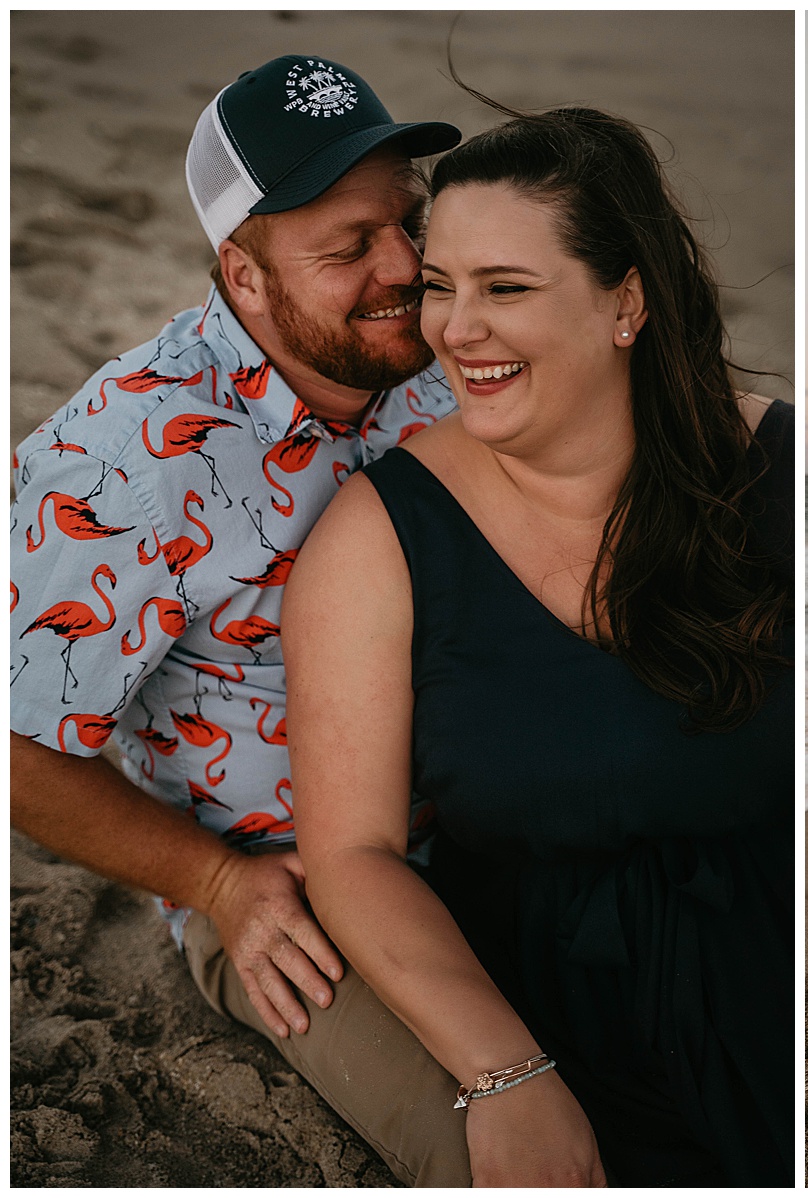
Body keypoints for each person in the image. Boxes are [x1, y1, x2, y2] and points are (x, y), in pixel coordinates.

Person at [283, 99, 794, 1187]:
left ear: (626, 302)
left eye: (504, 287)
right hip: (554, 1018)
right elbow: (351, 853)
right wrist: (507, 1075)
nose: (453, 329)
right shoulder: (378, 536)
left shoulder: (777, 471)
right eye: (439, 285)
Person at [9, 55, 482, 1184]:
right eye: (347, 248)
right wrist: (216, 885)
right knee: (493, 1147)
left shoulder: (435, 361)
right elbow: (16, 747)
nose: (405, 270)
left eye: (405, 222)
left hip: (491, 824)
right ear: (245, 275)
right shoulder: (126, 454)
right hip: (289, 887)